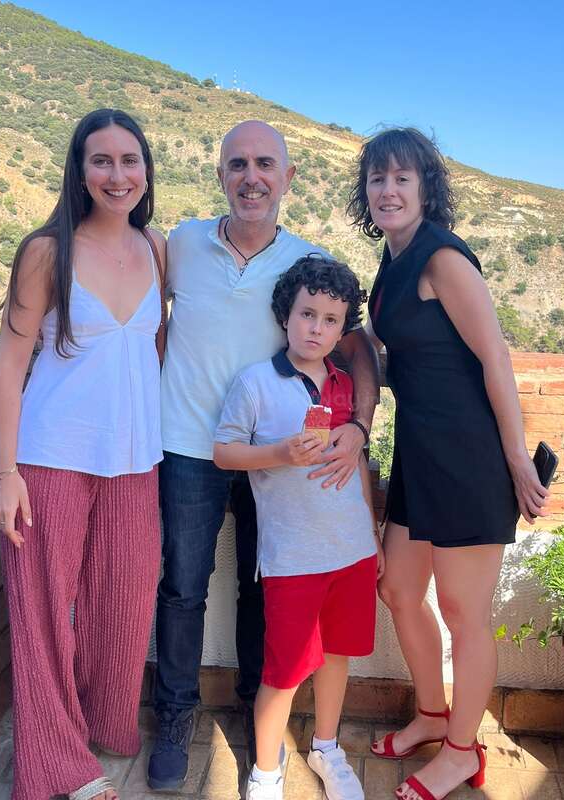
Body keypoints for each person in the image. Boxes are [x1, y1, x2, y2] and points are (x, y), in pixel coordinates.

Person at [149, 120, 379, 791]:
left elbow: (358, 348)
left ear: (287, 178)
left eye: (265, 165)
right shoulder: (184, 243)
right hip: (190, 448)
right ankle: (175, 716)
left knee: (262, 589)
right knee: (184, 589)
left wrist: (360, 426)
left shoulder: (307, 261)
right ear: (221, 173)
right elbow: (139, 312)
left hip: (277, 459)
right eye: (238, 164)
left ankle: (262, 718)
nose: (251, 177)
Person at [347, 128, 549, 800]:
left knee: (464, 611)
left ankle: (463, 751)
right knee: (399, 590)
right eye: (377, 179)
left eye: (402, 178)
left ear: (427, 187)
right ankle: (432, 713)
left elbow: (495, 357)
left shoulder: (442, 258)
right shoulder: (393, 257)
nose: (388, 190)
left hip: (467, 457)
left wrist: (517, 458)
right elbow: (389, 337)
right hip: (419, 453)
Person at [0, 108, 166, 800]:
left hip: (135, 460)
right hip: (50, 457)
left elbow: (150, 350)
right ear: (80, 169)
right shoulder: (46, 250)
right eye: (102, 160)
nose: (117, 174)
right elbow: (9, 363)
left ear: (146, 169)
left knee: (121, 608)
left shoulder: (156, 249)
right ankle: (57, 767)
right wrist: (5, 475)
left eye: (129, 160)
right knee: (40, 615)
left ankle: (101, 725)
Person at [214, 255, 385, 800]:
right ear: (285, 315)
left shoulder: (344, 387)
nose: (317, 328)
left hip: (351, 551)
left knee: (337, 658)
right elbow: (223, 453)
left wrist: (373, 539)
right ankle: (266, 771)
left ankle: (327, 748)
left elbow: (356, 463)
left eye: (331, 320)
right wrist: (280, 455)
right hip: (291, 558)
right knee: (283, 672)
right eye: (307, 314)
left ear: (342, 328)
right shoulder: (256, 383)